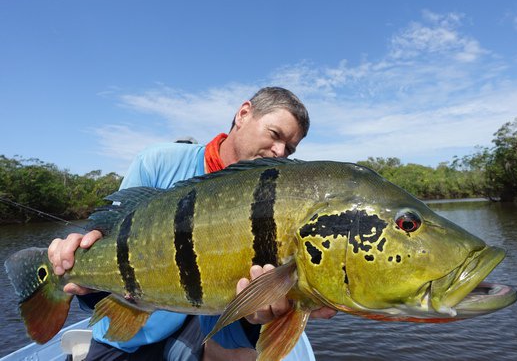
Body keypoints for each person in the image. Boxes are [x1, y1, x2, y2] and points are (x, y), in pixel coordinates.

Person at [48, 87, 337, 360]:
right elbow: (108, 237)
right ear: (244, 113)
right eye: (275, 134)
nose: (279, 151)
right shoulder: (157, 162)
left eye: (289, 148)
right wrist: (79, 266)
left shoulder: (280, 193)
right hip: (133, 331)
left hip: (207, 328)